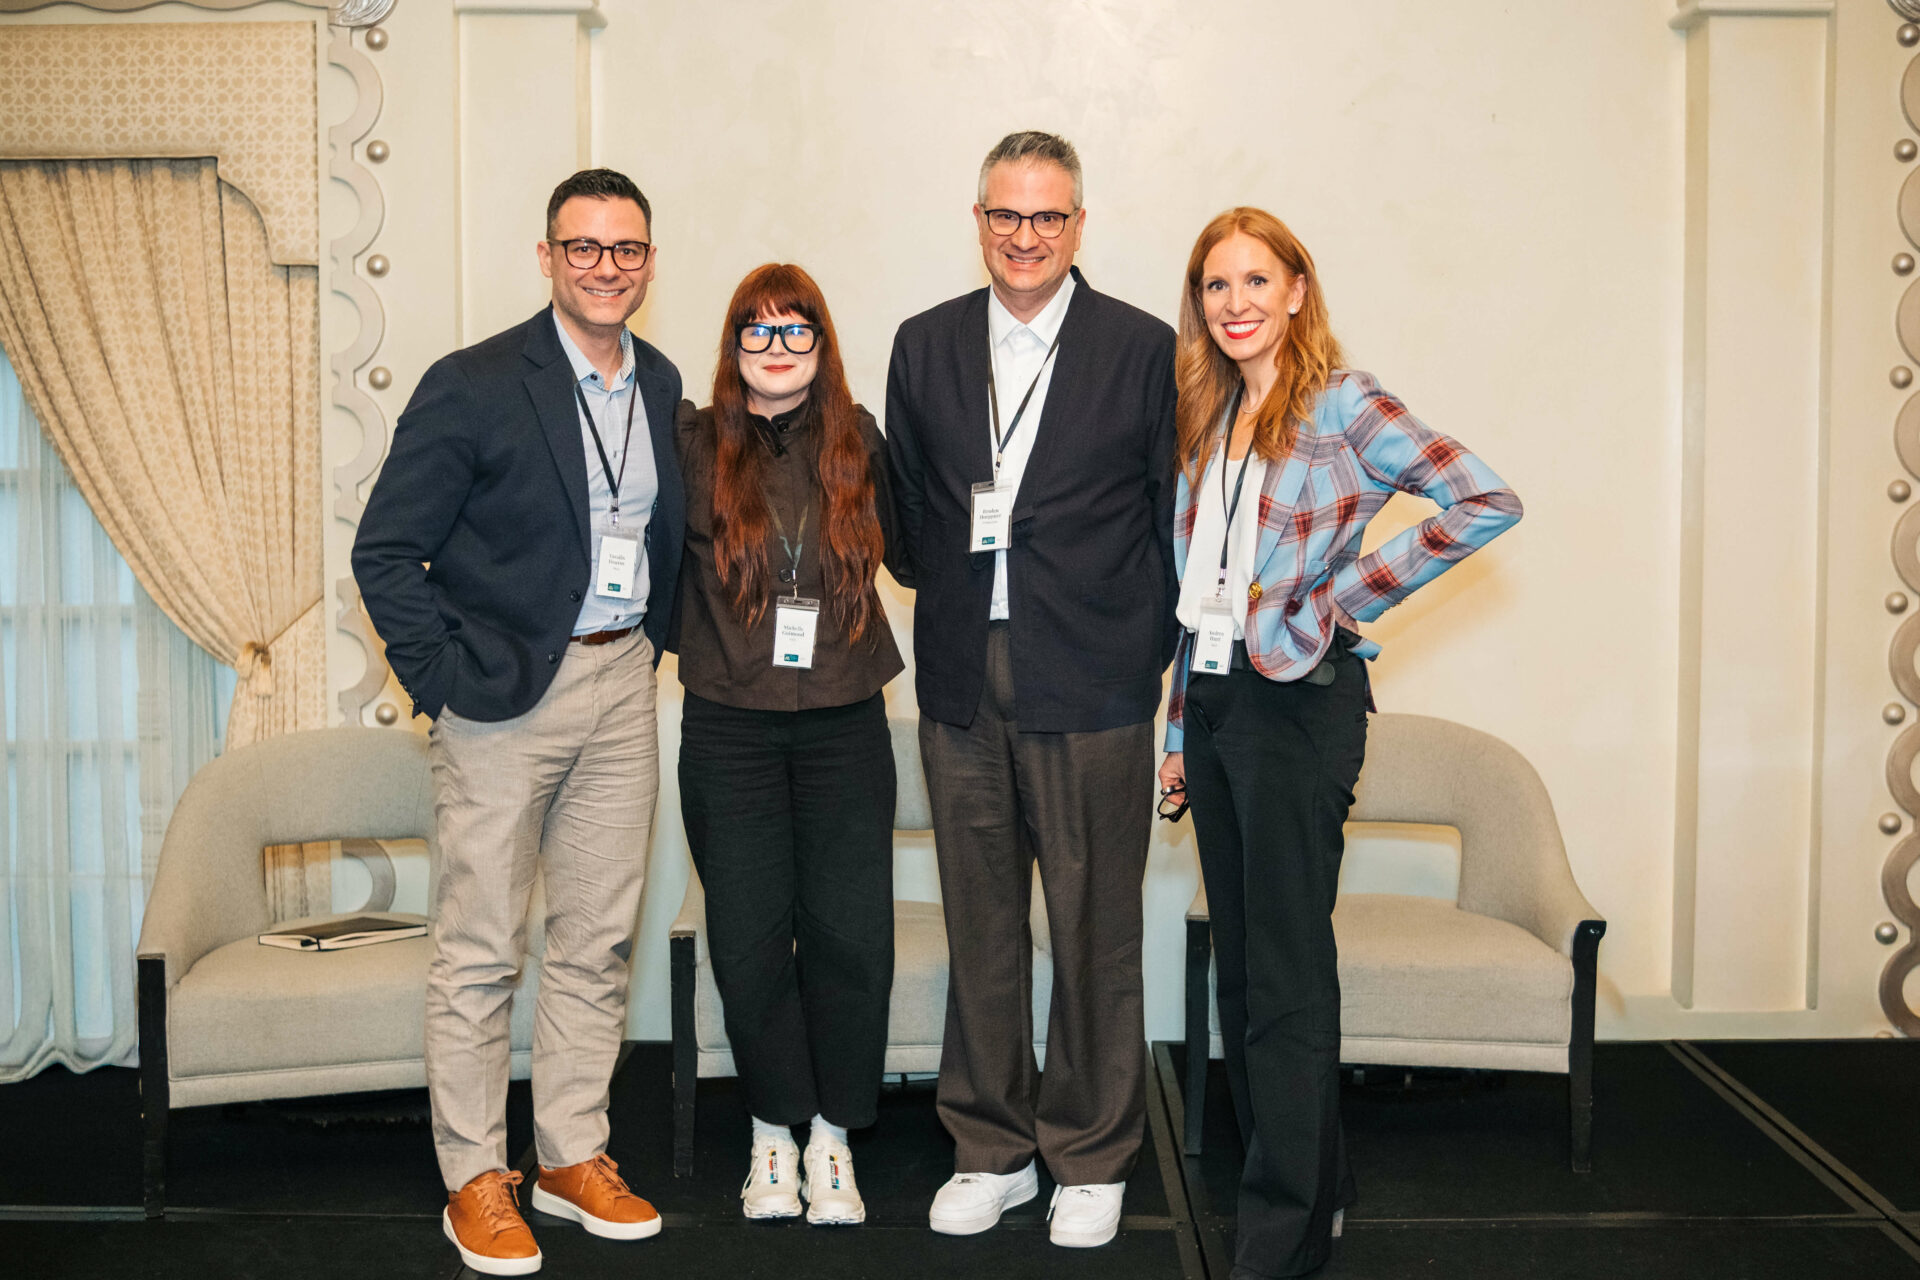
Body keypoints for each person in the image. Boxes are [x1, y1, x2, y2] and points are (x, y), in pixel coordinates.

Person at [1157, 206, 1522, 1279]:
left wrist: (1341, 598)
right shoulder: (1209, 411)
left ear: (1297, 290)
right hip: (1219, 701)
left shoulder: (1342, 402)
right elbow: (1203, 595)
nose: (1236, 303)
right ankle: (1319, 1183)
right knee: (1246, 969)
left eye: (1255, 281)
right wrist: (1178, 726)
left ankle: (1283, 1237)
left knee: (1286, 971)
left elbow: (1481, 498)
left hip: (1300, 708)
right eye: (1216, 285)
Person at [351, 168, 682, 1277]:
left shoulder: (662, 380)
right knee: (481, 950)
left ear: (648, 259)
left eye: (625, 247)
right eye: (583, 246)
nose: (606, 264)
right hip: (500, 700)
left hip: (623, 683)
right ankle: (474, 1176)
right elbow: (386, 550)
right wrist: (441, 680)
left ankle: (572, 1153)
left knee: (597, 939)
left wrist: (657, 647)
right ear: (547, 257)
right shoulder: (476, 381)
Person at [885, 130, 1178, 1250]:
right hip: (963, 671)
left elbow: (1168, 517)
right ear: (979, 220)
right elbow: (910, 514)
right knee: (984, 922)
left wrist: (1138, 648)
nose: (1024, 236)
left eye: (1046, 217)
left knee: (1097, 924)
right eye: (1005, 216)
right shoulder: (925, 345)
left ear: (1079, 225)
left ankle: (1093, 1153)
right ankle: (991, 1146)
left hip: (1095, 675)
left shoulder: (1142, 348)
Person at [672, 263, 909, 1226]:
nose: (777, 350)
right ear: (732, 349)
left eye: (795, 331)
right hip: (728, 725)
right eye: (756, 333)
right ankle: (775, 1132)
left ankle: (834, 1140)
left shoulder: (860, 440)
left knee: (854, 940)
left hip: (847, 722)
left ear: (823, 344)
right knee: (751, 937)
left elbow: (919, 547)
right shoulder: (690, 442)